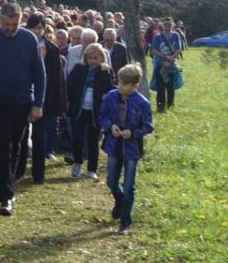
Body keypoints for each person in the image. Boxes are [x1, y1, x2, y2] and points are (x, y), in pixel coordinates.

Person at [0, 2, 45, 216]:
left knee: (17, 144)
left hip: (22, 101)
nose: (10, 28)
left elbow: (39, 73)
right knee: (2, 147)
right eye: (6, 24)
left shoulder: (29, 39)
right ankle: (5, 196)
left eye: (14, 24)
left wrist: (38, 104)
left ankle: (10, 180)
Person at [98, 64, 154, 235]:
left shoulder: (142, 103)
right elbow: (102, 116)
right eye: (119, 82)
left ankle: (125, 221)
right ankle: (120, 201)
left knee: (129, 185)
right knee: (111, 182)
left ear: (134, 84)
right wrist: (110, 126)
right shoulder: (110, 97)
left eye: (124, 84)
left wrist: (134, 133)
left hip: (131, 148)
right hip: (114, 145)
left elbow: (149, 126)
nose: (119, 86)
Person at [20, 13, 66, 184]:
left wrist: (60, 103)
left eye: (39, 28)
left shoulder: (52, 49)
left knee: (40, 137)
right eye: (33, 27)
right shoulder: (21, 46)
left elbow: (57, 78)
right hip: (24, 96)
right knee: (22, 137)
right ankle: (19, 169)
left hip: (44, 99)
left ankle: (38, 174)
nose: (37, 31)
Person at [66, 42, 114, 180]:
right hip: (78, 109)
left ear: (101, 58)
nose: (92, 61)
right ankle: (77, 162)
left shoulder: (105, 71)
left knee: (93, 139)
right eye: (90, 58)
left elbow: (109, 89)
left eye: (96, 58)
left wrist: (105, 72)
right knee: (77, 137)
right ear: (86, 58)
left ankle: (92, 168)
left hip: (96, 111)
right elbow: (69, 86)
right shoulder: (78, 69)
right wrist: (67, 104)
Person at [150, 17, 182, 112]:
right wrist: (166, 57)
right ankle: (160, 107)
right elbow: (154, 50)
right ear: (162, 25)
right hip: (160, 64)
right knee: (161, 87)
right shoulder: (157, 37)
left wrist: (171, 58)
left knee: (170, 86)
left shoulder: (176, 35)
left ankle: (170, 106)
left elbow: (178, 49)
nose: (167, 27)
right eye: (165, 25)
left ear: (172, 25)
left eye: (169, 25)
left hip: (171, 65)